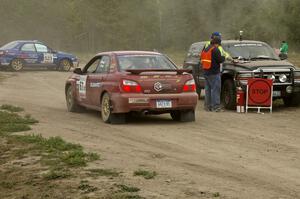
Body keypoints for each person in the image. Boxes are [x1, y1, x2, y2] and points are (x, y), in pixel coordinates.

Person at [201, 36, 225, 112]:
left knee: (208, 90)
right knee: (215, 90)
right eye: (219, 44)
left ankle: (207, 107)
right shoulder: (215, 50)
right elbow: (220, 60)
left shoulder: (206, 49)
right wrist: (224, 57)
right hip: (214, 73)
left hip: (206, 72)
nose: (219, 46)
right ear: (216, 44)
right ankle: (216, 107)